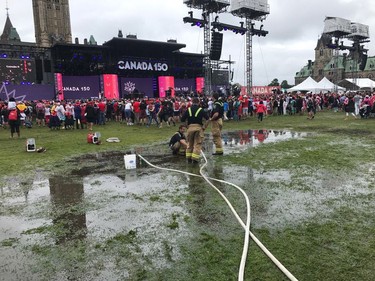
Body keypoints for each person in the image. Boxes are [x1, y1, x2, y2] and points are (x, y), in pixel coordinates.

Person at [181, 97, 209, 163]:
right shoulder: (201, 110)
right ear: (198, 102)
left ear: (192, 102)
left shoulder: (188, 110)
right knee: (197, 144)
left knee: (189, 143)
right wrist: (204, 127)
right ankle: (195, 159)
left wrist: (186, 126)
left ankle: (188, 159)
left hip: (190, 128)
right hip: (198, 128)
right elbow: (208, 119)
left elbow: (182, 120)